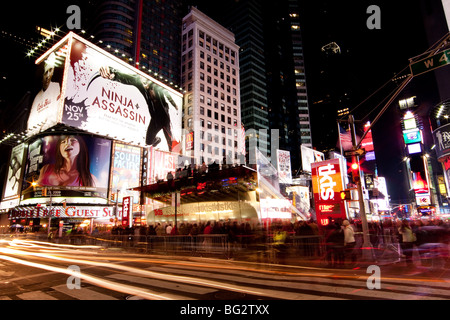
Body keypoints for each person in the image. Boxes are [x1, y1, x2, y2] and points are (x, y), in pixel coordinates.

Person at [97, 66, 179, 151]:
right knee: (148, 142)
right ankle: (157, 140)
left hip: (164, 117)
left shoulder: (158, 86)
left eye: (146, 83)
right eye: (143, 83)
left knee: (170, 143)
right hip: (155, 119)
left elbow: (168, 95)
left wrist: (174, 104)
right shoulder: (138, 80)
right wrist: (112, 73)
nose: (145, 85)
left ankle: (173, 156)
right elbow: (124, 77)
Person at [28, 52, 61, 135]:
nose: (48, 75)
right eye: (46, 72)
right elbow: (30, 122)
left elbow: (55, 114)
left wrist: (44, 128)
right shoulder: (37, 97)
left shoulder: (56, 88)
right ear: (42, 75)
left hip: (50, 132)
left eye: (50, 71)